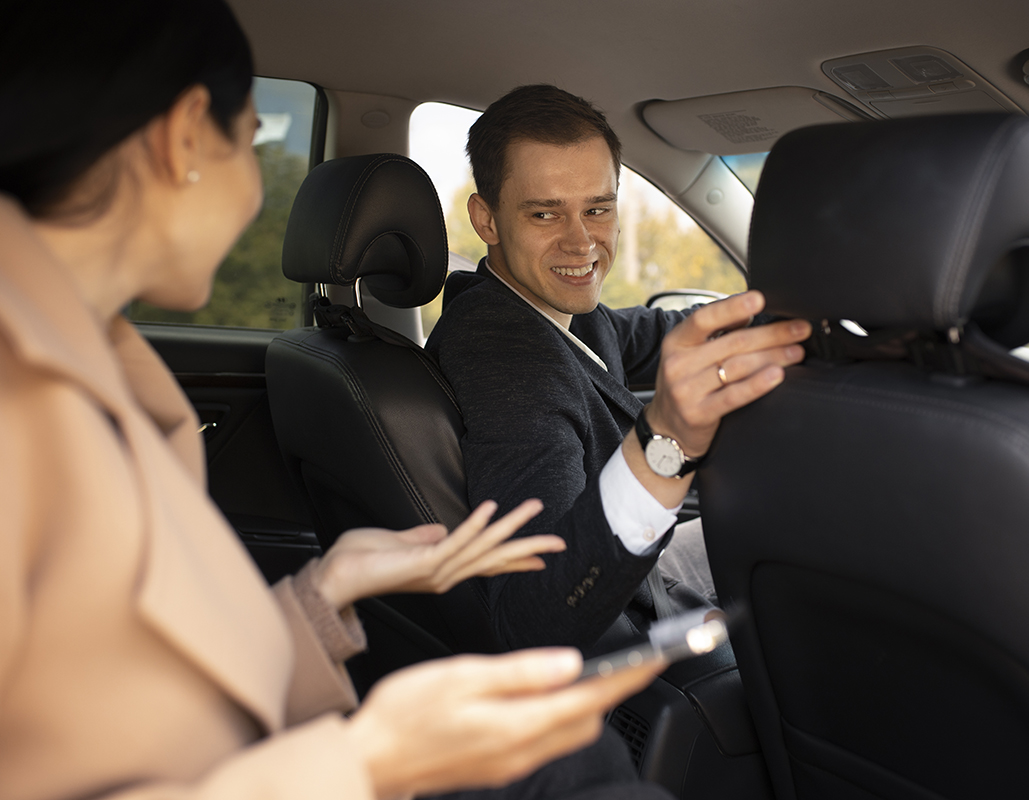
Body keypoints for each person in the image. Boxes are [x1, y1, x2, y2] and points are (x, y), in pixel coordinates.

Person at [0, 4, 672, 800]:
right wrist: (366, 762)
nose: (260, 195)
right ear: (185, 136)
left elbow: (106, 691)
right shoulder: (24, 406)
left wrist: (321, 599)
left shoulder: (96, 360)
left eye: (596, 207)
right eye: (254, 141)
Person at [426, 85, 812, 652]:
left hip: (638, 571)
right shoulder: (508, 357)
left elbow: (666, 332)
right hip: (631, 625)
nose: (582, 242)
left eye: (598, 209)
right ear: (486, 219)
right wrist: (668, 442)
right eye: (544, 213)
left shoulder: (543, 309)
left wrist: (802, 312)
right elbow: (535, 617)